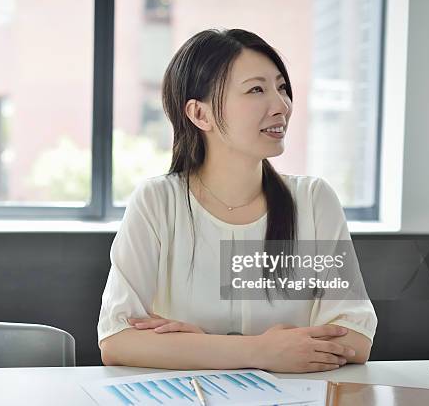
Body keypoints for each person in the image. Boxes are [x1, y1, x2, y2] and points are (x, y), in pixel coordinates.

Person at [97, 28, 377, 372]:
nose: (282, 106)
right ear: (200, 115)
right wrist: (258, 352)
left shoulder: (313, 199)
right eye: (257, 89)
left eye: (282, 87)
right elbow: (117, 339)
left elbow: (354, 337)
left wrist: (198, 347)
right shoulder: (158, 201)